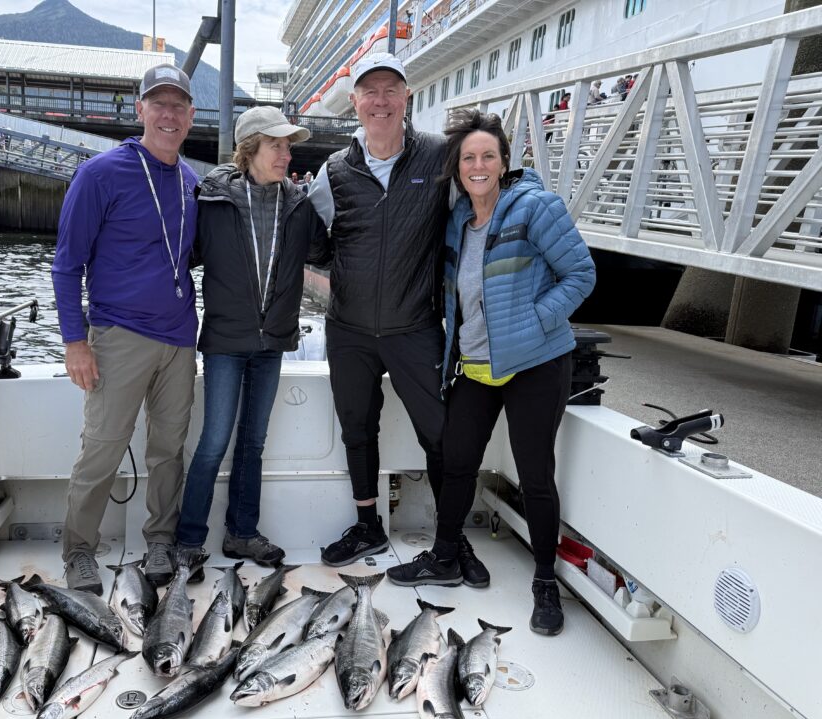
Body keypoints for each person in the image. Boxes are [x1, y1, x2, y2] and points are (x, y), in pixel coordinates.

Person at [385, 110, 596, 637]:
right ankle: (444, 555)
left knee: (535, 475)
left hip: (535, 363)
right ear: (457, 168)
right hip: (477, 367)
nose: (478, 166)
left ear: (504, 162)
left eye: (488, 156)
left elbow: (581, 274)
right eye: (468, 158)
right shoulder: (460, 220)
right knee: (456, 461)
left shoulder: (535, 207)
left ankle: (546, 582)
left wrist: (535, 320)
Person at [308, 52, 485, 577]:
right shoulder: (334, 170)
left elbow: (484, 197)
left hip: (415, 327)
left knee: (440, 434)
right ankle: (368, 525)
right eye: (370, 92)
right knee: (357, 429)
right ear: (355, 103)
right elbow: (313, 242)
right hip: (350, 329)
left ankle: (451, 541)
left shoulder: (439, 158)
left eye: (391, 90)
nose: (380, 101)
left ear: (406, 98)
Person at [52, 63, 199, 592]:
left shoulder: (189, 180)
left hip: (180, 340)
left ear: (190, 115)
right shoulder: (99, 174)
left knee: (168, 449)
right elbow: (66, 264)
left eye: (178, 105)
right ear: (139, 110)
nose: (168, 114)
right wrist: (75, 341)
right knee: (104, 446)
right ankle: (78, 551)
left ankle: (160, 538)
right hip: (119, 336)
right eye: (157, 104)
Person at [174, 106, 331, 569]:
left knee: (253, 443)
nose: (285, 154)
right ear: (249, 151)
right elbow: (178, 258)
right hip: (224, 340)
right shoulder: (212, 201)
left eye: (288, 146)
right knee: (214, 441)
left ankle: (242, 533)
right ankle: (188, 539)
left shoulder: (300, 204)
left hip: (273, 342)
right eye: (276, 145)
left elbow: (325, 250)